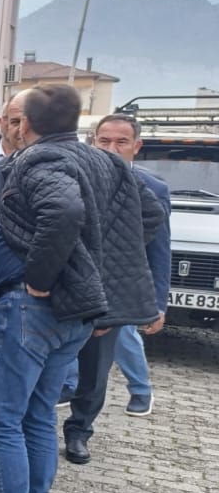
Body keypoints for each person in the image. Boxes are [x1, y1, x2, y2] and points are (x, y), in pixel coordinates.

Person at [0, 84, 162, 493]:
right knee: (37, 414)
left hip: (34, 306)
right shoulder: (102, 160)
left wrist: (44, 278)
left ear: (25, 124)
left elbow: (62, 212)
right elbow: (150, 212)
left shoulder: (40, 160)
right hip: (75, 314)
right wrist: (93, 262)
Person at [59, 113, 171, 458]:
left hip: (113, 297)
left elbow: (159, 249)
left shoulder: (153, 190)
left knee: (95, 370)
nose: (111, 148)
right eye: (104, 140)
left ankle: (79, 431)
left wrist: (157, 303)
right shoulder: (72, 178)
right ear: (92, 141)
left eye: (121, 142)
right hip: (66, 291)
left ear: (136, 146)